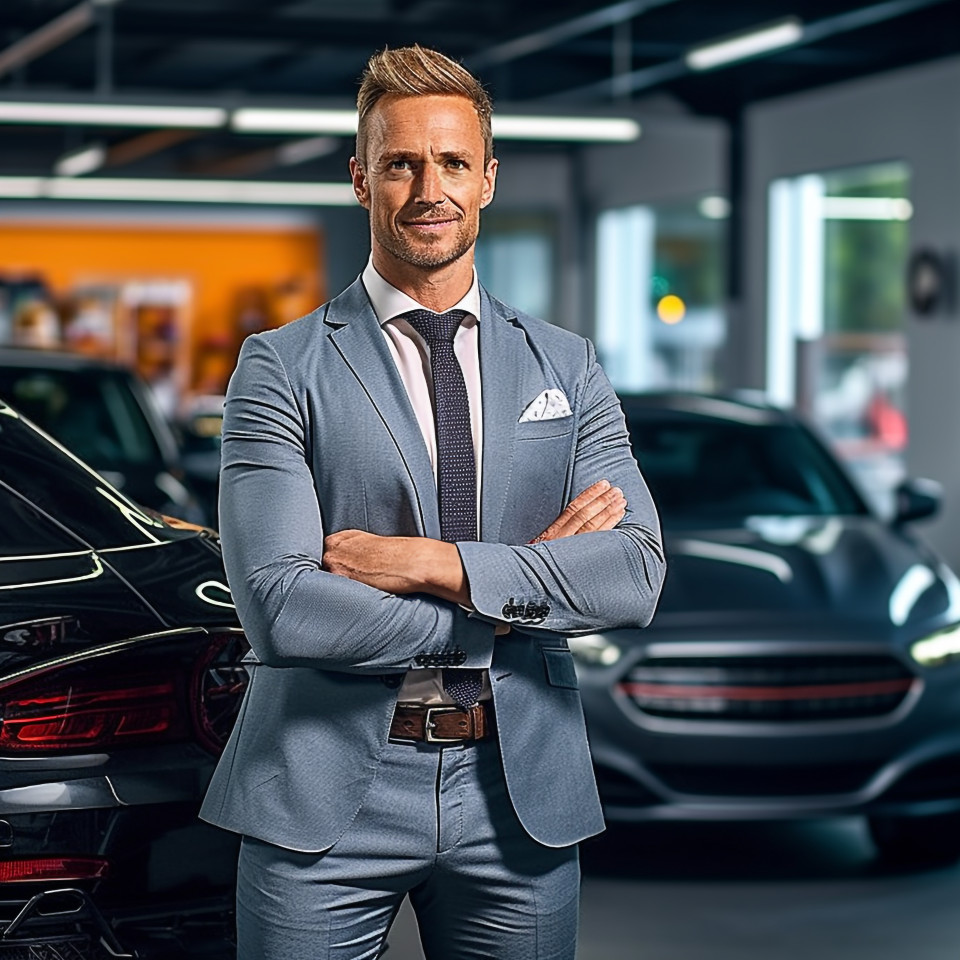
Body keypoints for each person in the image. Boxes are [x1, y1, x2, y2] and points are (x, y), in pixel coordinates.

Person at [200, 43, 665, 960]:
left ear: (487, 178)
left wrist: (432, 565)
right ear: (360, 178)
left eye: (453, 162)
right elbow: (283, 610)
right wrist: (521, 596)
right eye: (401, 163)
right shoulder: (281, 366)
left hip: (519, 792)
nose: (429, 189)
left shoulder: (565, 365)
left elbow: (633, 574)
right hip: (323, 790)